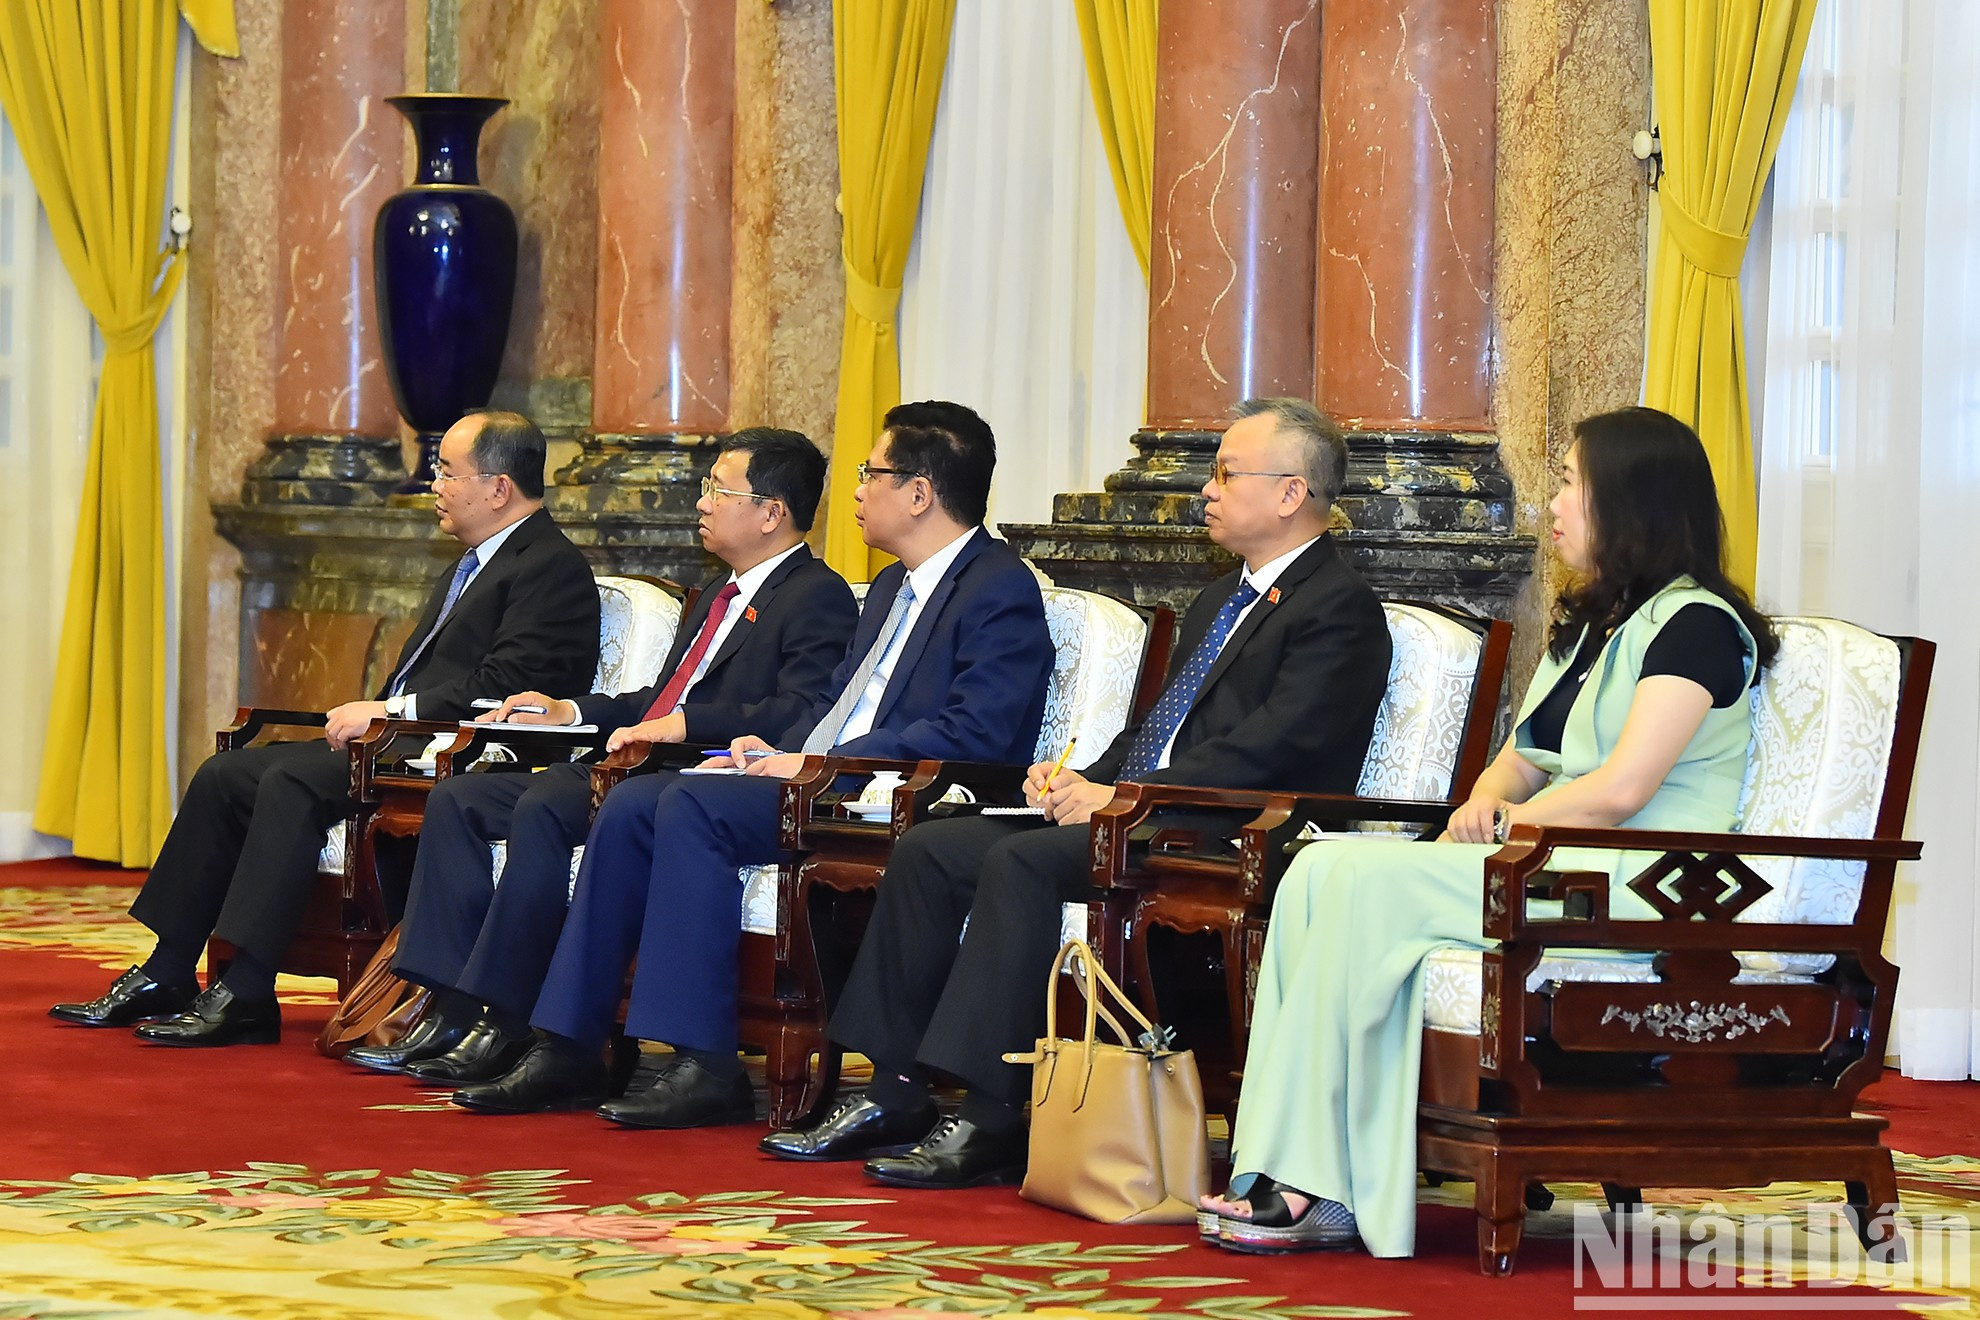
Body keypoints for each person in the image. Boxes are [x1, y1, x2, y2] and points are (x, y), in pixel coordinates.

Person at [762, 397, 1395, 1190]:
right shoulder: (1216, 599)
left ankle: (994, 1114)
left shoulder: (1338, 609)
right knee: (932, 849)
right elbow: (1153, 727)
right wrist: (1082, 778)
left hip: (1222, 827)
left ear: (1291, 493)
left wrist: (1125, 797)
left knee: (1022, 864)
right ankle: (892, 1089)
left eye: (1227, 473)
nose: (1207, 488)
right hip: (1149, 811)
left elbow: (1274, 749)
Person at [1196, 405, 1779, 1257]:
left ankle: (1323, 1184)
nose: (1554, 504)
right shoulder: (1596, 624)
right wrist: (1483, 805)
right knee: (1320, 868)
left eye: (1571, 484)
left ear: (1631, 498)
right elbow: (1523, 758)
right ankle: (1285, 1166)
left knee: (1344, 875)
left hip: (1633, 885)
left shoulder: (1696, 627)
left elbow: (1622, 790)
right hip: (1543, 865)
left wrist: (1504, 822)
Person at [450, 400, 1058, 1122]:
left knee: (687, 802)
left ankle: (704, 1060)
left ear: (920, 493)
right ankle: (569, 1043)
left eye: (873, 473)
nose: (858, 489)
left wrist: (818, 761)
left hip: (889, 793)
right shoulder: (894, 585)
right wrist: (776, 750)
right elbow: (837, 700)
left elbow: (976, 731)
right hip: (829, 776)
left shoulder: (999, 588)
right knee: (636, 800)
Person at [49, 410, 601, 1047]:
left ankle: (247, 990)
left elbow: (509, 686)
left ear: (499, 487)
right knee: (226, 772)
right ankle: (169, 969)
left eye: (448, 472)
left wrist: (387, 712)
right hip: (398, 743)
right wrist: (382, 715)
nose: (435, 486)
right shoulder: (476, 560)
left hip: (462, 752)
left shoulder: (549, 567)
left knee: (289, 776)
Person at [345, 428, 858, 1081]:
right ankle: (445, 1006)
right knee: (463, 798)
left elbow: (797, 712)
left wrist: (686, 724)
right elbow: (656, 698)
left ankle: (508, 1022)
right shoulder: (720, 597)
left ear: (770, 512)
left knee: (545, 800)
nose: (700, 503)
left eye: (716, 490)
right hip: (632, 765)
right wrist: (573, 710)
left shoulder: (816, 595)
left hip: (691, 778)